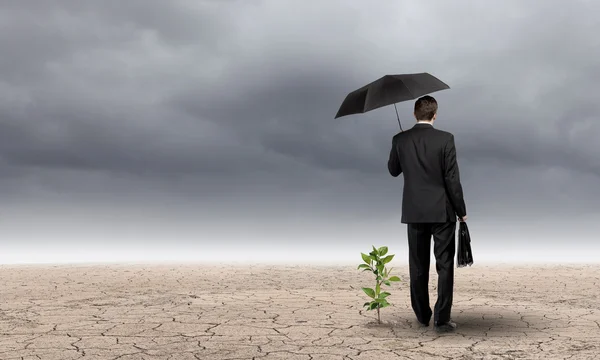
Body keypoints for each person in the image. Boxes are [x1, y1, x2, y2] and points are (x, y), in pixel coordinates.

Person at [387, 95, 467, 333]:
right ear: (435, 114)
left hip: (414, 211)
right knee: (444, 265)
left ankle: (422, 316)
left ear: (414, 114)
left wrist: (401, 146)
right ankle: (441, 319)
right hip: (442, 211)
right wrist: (461, 210)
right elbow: (452, 178)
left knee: (418, 265)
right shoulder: (446, 139)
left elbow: (393, 171)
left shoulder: (400, 139)